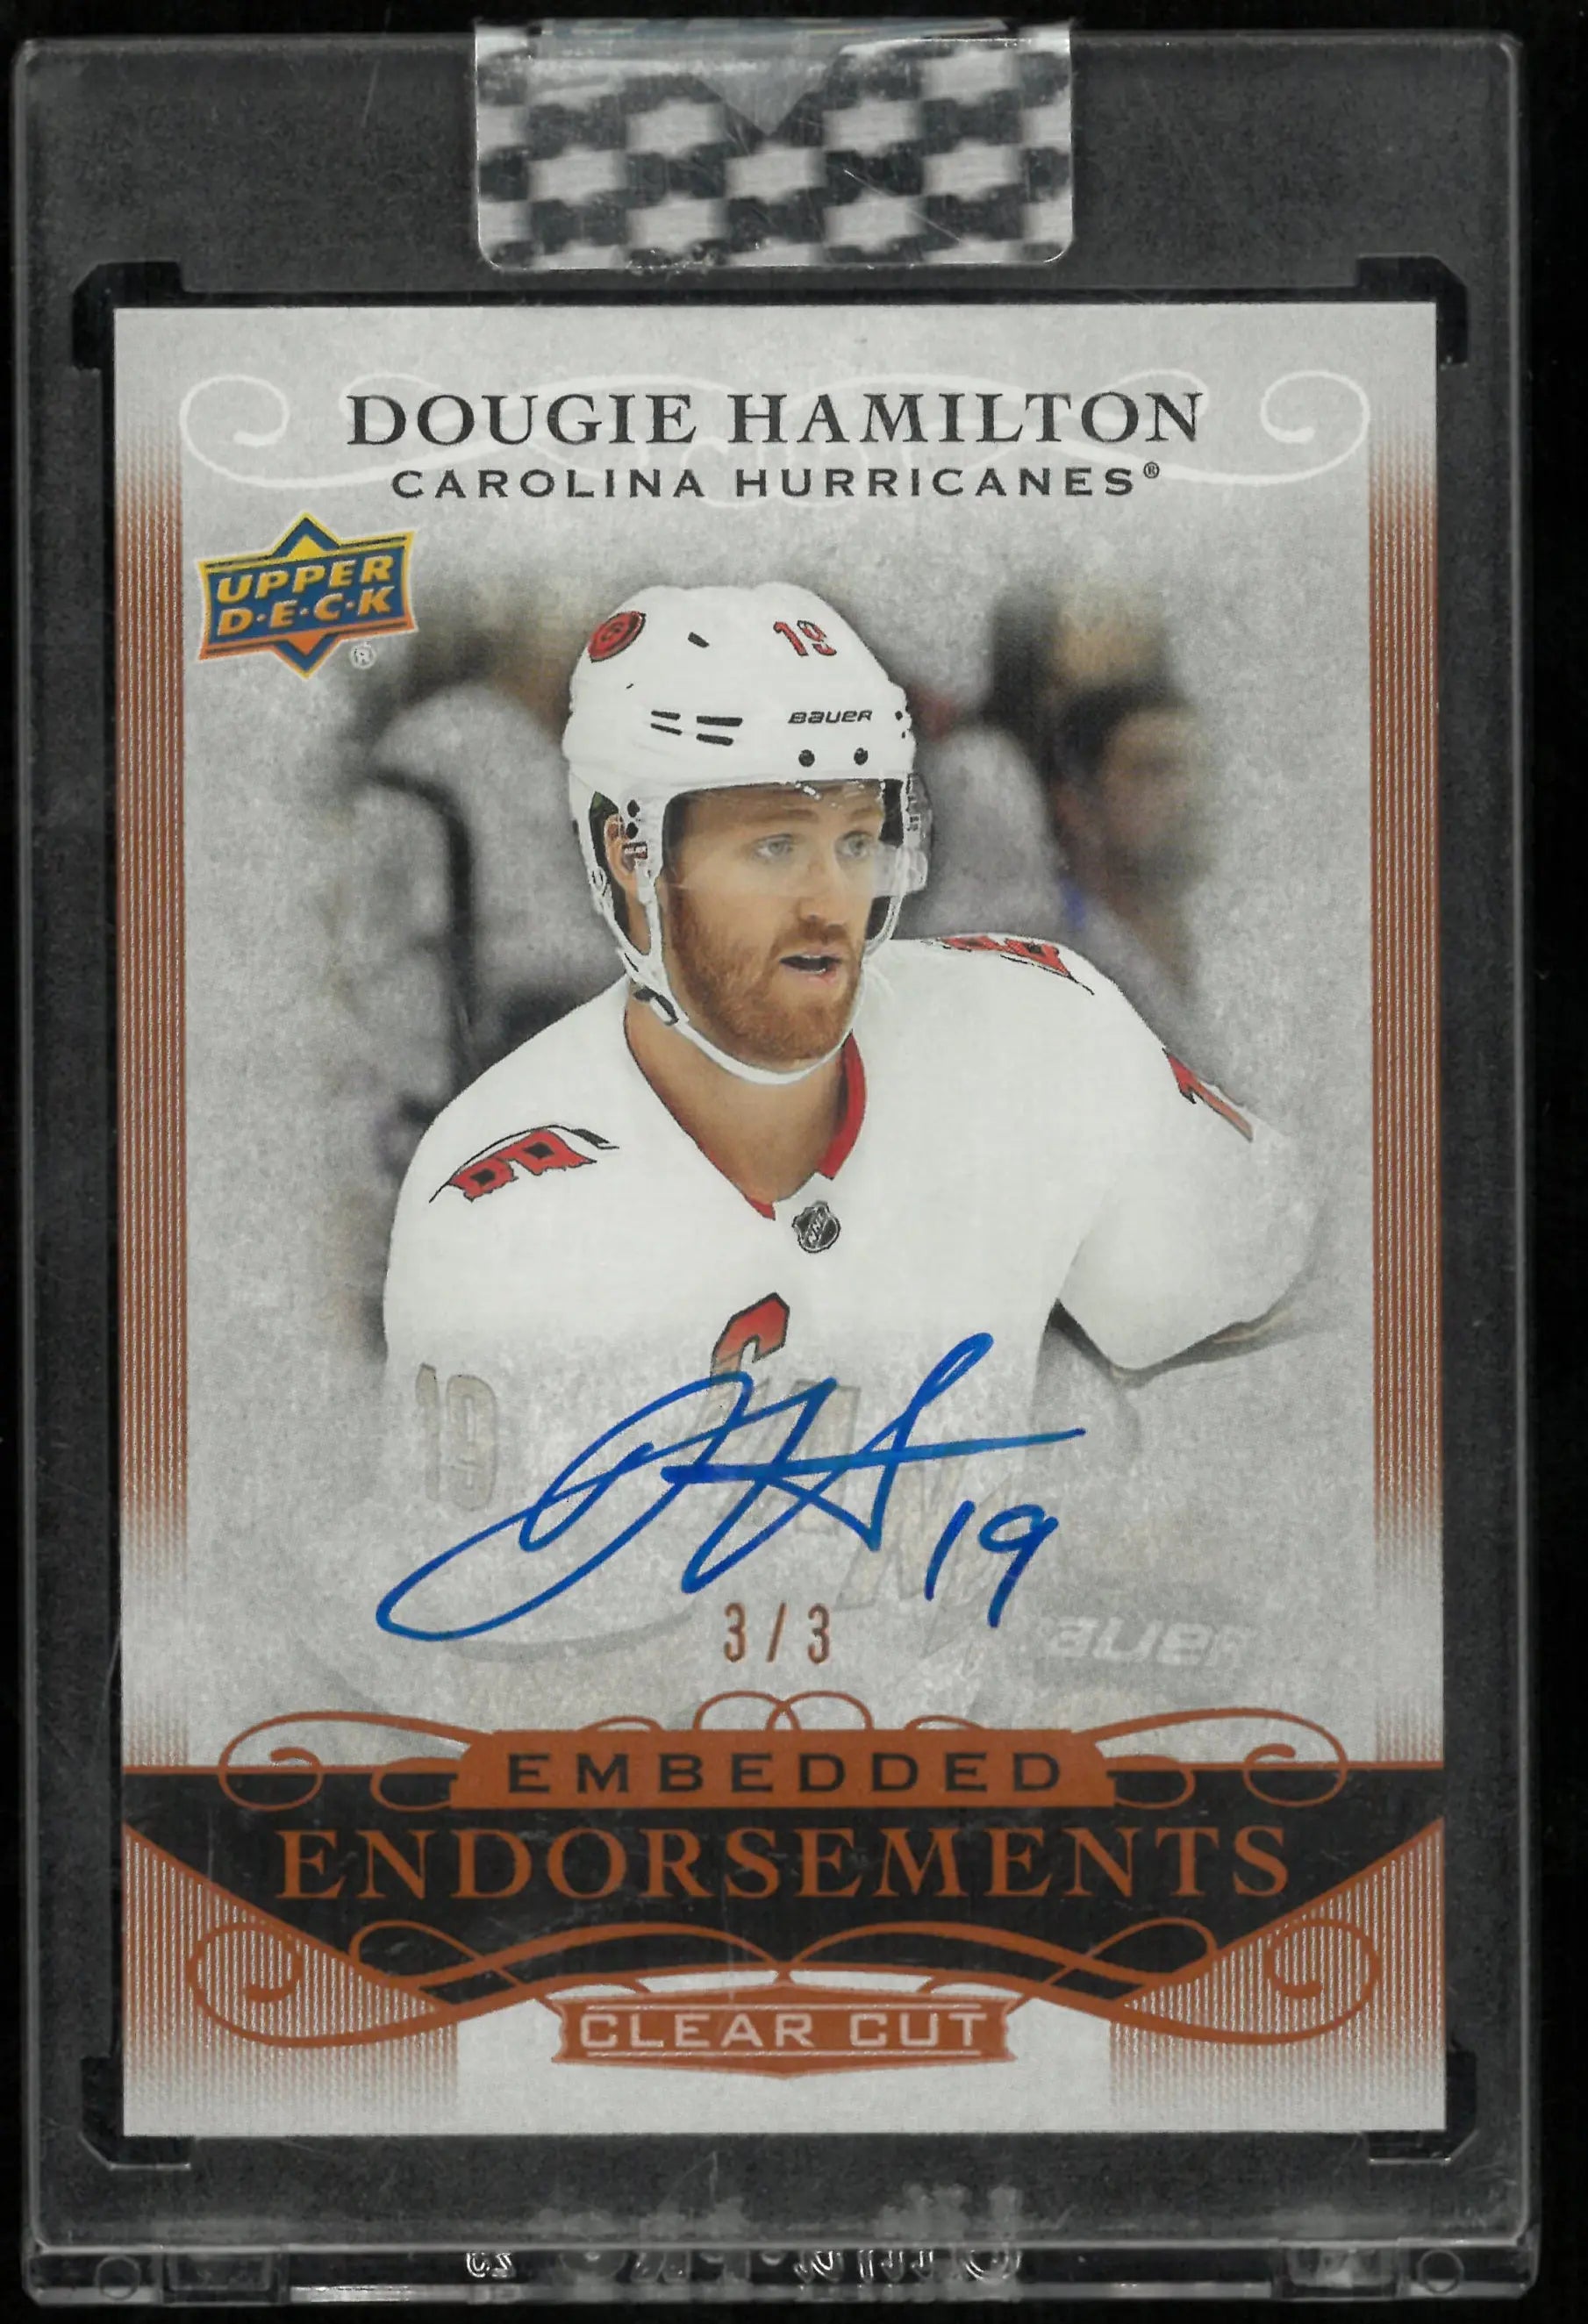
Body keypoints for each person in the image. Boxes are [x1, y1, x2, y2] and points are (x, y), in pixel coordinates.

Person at [380, 584, 1310, 1693]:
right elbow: (503, 1657)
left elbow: (1305, 1312)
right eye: (775, 846)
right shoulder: (501, 1195)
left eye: (857, 840)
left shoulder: (1044, 1027)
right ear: (630, 857)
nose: (830, 902)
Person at [1046, 680, 1212, 1062]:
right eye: (1156, 771)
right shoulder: (1044, 967)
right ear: (1076, 806)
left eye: (1204, 771)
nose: (1190, 796)